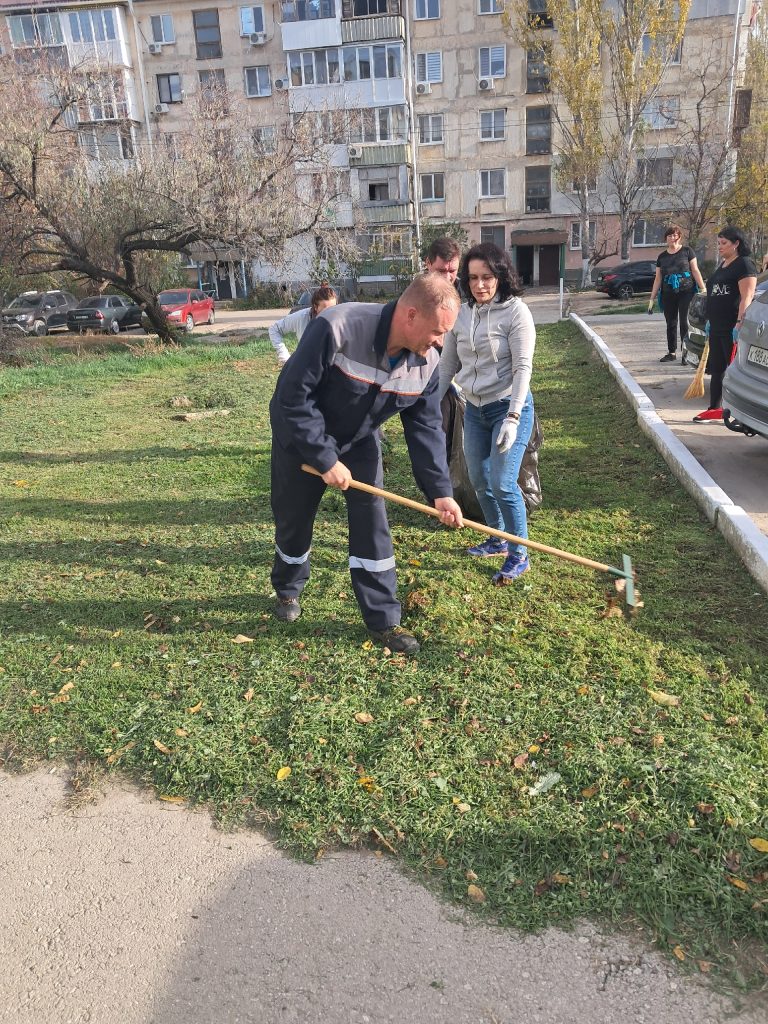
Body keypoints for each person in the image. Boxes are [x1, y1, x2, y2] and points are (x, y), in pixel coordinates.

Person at [269, 273, 464, 655]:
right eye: (438, 331)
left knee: (372, 520)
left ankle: (383, 619)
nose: (441, 341)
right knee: (294, 519)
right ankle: (288, 589)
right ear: (411, 315)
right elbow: (292, 397)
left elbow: (425, 428)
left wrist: (440, 492)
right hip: (301, 439)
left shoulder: (427, 362)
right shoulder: (337, 327)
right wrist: (324, 457)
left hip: (359, 441)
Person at [438, 243, 535, 586]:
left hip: (509, 407)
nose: (480, 285)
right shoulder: (462, 314)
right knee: (479, 479)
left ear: (501, 276)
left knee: (503, 482)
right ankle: (497, 538)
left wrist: (513, 417)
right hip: (475, 410)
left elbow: (523, 368)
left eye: (487, 277)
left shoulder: (516, 312)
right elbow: (448, 364)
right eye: (473, 278)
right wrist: (429, 402)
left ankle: (519, 554)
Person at [693, 226, 757, 422]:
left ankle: (738, 412)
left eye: (724, 243)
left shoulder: (744, 265)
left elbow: (747, 297)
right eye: (718, 243)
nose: (719, 247)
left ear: (736, 243)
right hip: (716, 326)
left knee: (734, 371)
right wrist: (710, 320)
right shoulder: (723, 264)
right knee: (717, 368)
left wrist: (739, 324)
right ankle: (715, 408)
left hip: (732, 327)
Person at [648, 224, 706, 363]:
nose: (672, 238)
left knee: (684, 322)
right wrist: (651, 298)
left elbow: (695, 270)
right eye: (669, 235)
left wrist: (703, 288)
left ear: (679, 237)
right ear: (666, 238)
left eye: (675, 235)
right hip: (668, 293)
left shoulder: (687, 251)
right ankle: (671, 352)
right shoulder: (662, 257)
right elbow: (658, 278)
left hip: (686, 291)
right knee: (671, 322)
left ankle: (685, 354)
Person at [268, 286, 337, 366]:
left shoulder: (339, 318)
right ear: (315, 307)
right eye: (326, 310)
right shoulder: (301, 317)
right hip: (307, 366)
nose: (330, 313)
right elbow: (274, 329)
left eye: (333, 308)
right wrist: (284, 355)